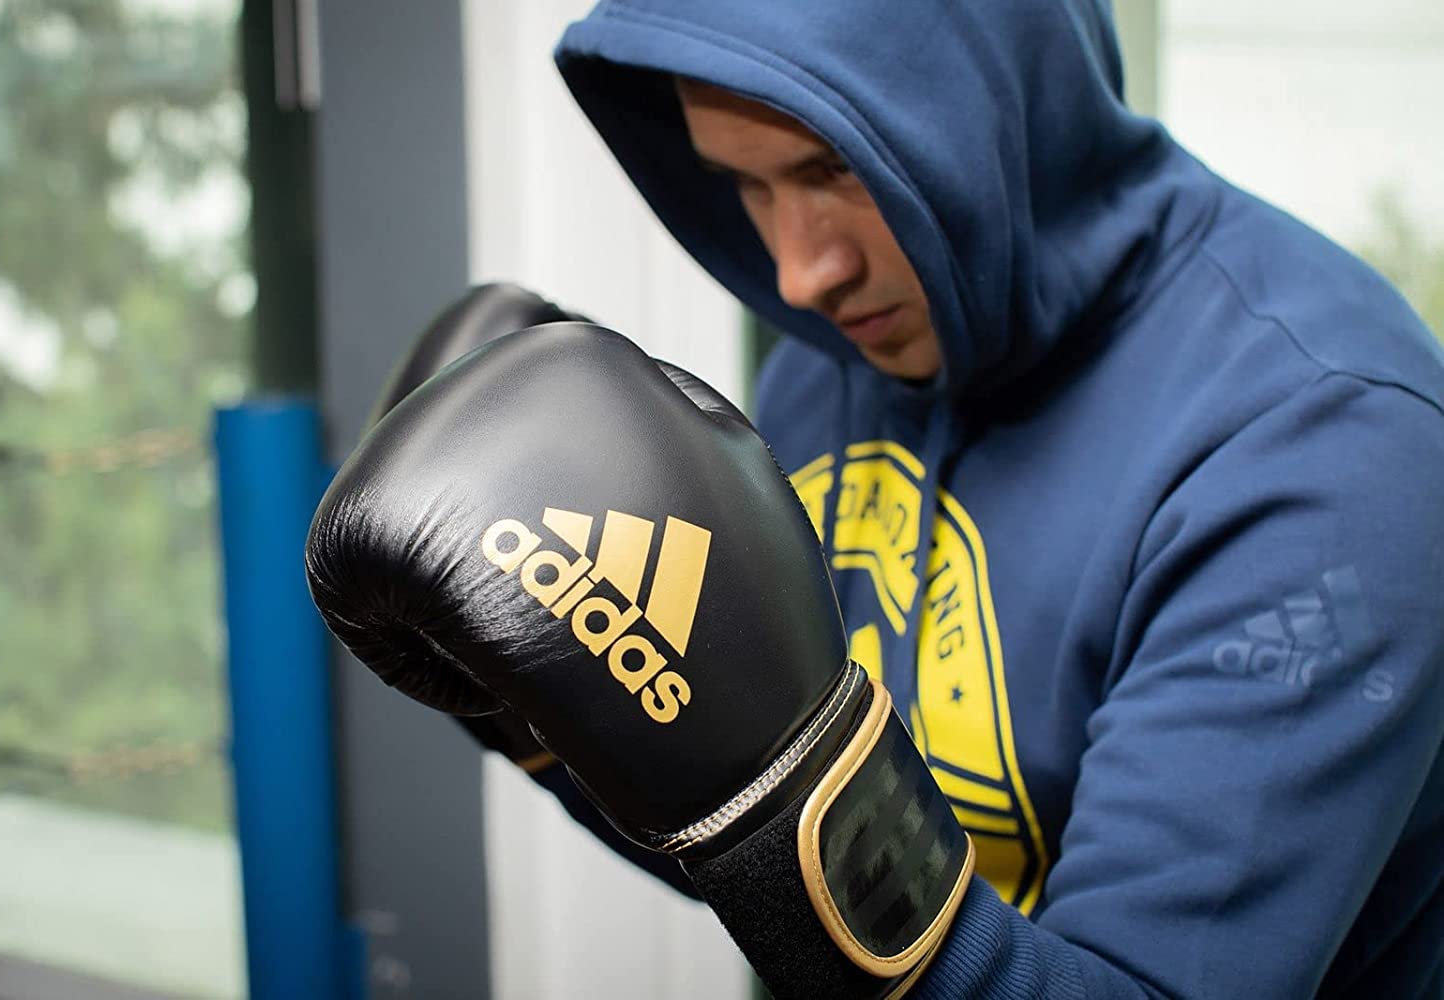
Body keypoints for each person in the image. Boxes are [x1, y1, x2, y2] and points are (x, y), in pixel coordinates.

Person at [311, 1, 1444, 996]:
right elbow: (793, 882)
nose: (804, 273)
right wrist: (529, 714)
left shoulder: (1326, 451)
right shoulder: (842, 358)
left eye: (832, 170)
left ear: (1004, 108)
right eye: (743, 184)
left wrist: (795, 810)